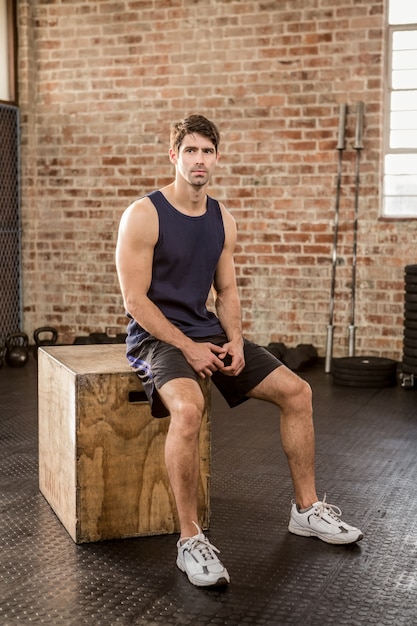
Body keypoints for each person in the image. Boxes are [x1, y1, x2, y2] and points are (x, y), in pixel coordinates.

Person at [115, 114, 363, 588]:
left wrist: (234, 338)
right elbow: (135, 301)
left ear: (217, 157)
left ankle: (306, 510)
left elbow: (226, 291)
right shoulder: (143, 214)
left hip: (206, 329)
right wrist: (187, 347)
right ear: (174, 155)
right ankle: (190, 539)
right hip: (157, 338)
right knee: (188, 411)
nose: (199, 159)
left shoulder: (221, 218)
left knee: (299, 392)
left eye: (207, 151)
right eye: (190, 150)